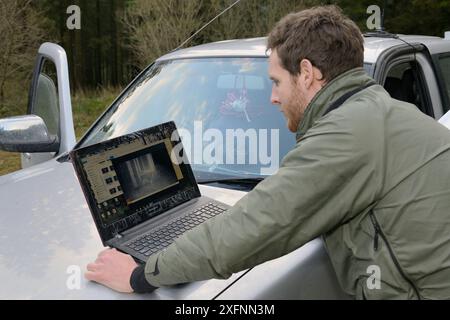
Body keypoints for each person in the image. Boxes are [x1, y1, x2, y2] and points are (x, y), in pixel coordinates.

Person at [85, 5, 450, 299]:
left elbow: (256, 225)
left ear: (307, 73)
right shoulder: (381, 111)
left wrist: (140, 276)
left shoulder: (346, 134)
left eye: (276, 81)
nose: (272, 97)